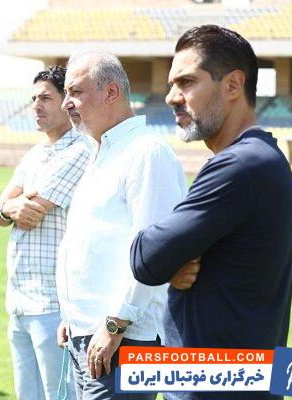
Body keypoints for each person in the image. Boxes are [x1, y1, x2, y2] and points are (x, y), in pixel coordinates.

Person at [129, 25, 292, 400]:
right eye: (172, 84)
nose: (172, 97)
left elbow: (145, 258)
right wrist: (173, 260)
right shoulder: (261, 157)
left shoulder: (240, 165)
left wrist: (168, 259)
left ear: (233, 85)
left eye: (187, 82)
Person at [56, 51, 187, 400]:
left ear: (111, 92)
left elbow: (153, 253)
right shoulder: (101, 151)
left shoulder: (146, 152)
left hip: (123, 340)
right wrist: (72, 315)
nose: (67, 103)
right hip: (89, 335)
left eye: (75, 92)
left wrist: (116, 323)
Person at [0, 66, 92, 400]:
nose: (36, 105)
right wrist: (9, 207)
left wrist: (11, 206)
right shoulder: (34, 154)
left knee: (60, 395)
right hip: (19, 300)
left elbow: (32, 211)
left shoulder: (80, 150)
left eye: (46, 97)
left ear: (67, 101)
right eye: (33, 98)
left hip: (53, 302)